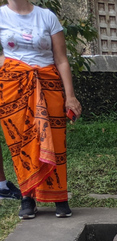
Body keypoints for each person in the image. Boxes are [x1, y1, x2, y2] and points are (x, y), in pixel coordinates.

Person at [0, 0, 81, 219]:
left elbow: (61, 59)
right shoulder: (1, 16)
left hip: (48, 84)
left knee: (54, 140)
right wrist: (7, 67)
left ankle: (59, 197)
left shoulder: (47, 17)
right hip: (13, 88)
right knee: (22, 144)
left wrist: (70, 96)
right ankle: (28, 197)